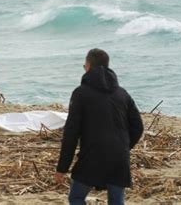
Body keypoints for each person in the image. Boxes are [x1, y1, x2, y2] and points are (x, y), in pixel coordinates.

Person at [55, 48, 144, 205]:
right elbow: (138, 127)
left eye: (84, 65)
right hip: (119, 157)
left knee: (76, 198)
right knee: (116, 202)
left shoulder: (80, 93)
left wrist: (62, 168)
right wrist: (123, 146)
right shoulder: (122, 93)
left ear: (88, 66)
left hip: (92, 157)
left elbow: (71, 133)